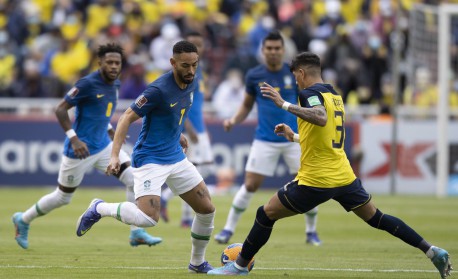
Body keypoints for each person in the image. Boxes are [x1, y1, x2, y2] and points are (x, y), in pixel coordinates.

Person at [208, 52, 452, 278]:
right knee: (377, 218)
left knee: (265, 213)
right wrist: (293, 136)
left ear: (301, 73)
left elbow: (320, 118)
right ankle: (432, 251)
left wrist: (283, 104)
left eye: (296, 77)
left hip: (317, 180)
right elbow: (324, 135)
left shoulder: (309, 93)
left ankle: (239, 266)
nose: (296, 83)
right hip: (344, 178)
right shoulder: (334, 95)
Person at [75, 40, 216, 273]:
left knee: (207, 209)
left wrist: (177, 133)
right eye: (185, 66)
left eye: (194, 65)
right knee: (148, 219)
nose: (191, 71)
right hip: (150, 159)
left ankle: (197, 263)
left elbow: (176, 112)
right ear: (172, 63)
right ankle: (99, 208)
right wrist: (114, 156)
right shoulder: (158, 90)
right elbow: (125, 118)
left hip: (176, 156)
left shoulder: (192, 82)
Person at [12, 43, 161, 249]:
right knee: (63, 197)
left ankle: (136, 233)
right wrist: (74, 138)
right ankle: (23, 219)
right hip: (78, 151)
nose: (113, 66)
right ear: (99, 63)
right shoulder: (87, 84)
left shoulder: (116, 84)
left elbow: (100, 111)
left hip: (103, 146)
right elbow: (60, 109)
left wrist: (109, 128)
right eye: (109, 62)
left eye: (117, 63)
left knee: (133, 179)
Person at [213, 30, 321, 246]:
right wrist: (234, 120)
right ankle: (227, 229)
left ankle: (311, 232)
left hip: (294, 138)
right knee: (250, 184)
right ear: (263, 51)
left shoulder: (294, 74)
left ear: (283, 50)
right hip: (265, 138)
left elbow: (308, 102)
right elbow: (246, 105)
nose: (273, 52)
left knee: (308, 184)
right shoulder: (254, 75)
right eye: (269, 48)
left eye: (277, 48)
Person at [160, 31, 215, 228]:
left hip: (200, 127)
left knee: (202, 169)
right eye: (195, 44)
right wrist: (188, 128)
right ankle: (182, 216)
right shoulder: (183, 74)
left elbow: (197, 103)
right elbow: (180, 105)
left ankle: (166, 198)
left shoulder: (200, 72)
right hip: (190, 129)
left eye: (201, 44)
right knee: (193, 172)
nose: (199, 48)